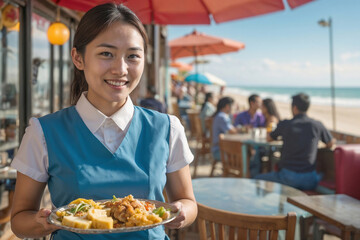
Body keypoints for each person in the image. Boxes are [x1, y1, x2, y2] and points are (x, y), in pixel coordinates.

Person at [10, 3, 197, 240]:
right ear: (78, 58)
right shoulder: (43, 132)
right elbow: (19, 220)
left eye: (132, 56)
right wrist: (43, 223)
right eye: (106, 54)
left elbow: (189, 202)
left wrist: (181, 213)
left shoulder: (167, 128)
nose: (121, 69)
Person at [254, 93, 335, 190]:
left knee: (257, 179)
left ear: (294, 108)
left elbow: (269, 138)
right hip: (310, 180)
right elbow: (331, 143)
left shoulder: (286, 124)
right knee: (320, 175)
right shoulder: (317, 125)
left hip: (288, 178)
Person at [249, 98, 281, 177]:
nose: (260, 108)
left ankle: (254, 176)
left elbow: (270, 136)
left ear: (267, 108)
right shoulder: (265, 118)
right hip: (267, 146)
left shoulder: (272, 119)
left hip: (271, 147)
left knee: (254, 151)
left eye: (262, 106)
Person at [212, 97, 239, 162]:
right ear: (227, 106)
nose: (234, 108)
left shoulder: (221, 115)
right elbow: (232, 131)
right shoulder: (222, 117)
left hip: (219, 148)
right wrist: (242, 129)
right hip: (219, 150)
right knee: (243, 155)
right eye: (233, 106)